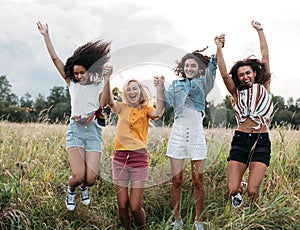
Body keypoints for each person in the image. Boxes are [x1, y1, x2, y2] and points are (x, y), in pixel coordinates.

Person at [37, 21, 112, 211]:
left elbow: (103, 102)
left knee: (91, 179)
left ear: (89, 70)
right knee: (78, 177)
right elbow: (55, 59)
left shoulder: (97, 86)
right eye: (76, 73)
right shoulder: (72, 84)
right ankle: (71, 190)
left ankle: (85, 189)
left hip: (93, 133)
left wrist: (107, 79)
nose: (78, 76)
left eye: (82, 72)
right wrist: (46, 35)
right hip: (75, 133)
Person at [215, 20, 273, 208]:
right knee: (233, 190)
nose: (245, 77)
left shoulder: (264, 86)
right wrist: (219, 48)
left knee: (253, 192)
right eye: (241, 75)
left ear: (254, 73)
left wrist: (260, 30)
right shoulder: (236, 93)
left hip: (261, 141)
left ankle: (255, 215)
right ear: (238, 78)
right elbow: (224, 75)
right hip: (240, 140)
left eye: (248, 73)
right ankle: (240, 188)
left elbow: (265, 55)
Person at [161, 44, 218, 229]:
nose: (189, 69)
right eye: (187, 66)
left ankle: (198, 220)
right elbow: (167, 102)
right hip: (178, 135)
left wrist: (218, 48)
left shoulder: (203, 83)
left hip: (196, 137)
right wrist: (160, 86)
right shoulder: (176, 85)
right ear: (183, 68)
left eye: (193, 66)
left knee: (197, 181)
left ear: (199, 68)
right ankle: (177, 219)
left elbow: (213, 69)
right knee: (176, 180)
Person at [101, 73, 164, 229]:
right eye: (128, 89)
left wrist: (159, 88)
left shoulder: (146, 109)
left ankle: (142, 228)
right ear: (125, 93)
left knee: (135, 207)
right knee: (122, 205)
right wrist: (107, 78)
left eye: (134, 88)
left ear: (140, 91)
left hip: (139, 159)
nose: (132, 92)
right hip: (120, 158)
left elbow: (159, 112)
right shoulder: (121, 108)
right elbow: (109, 100)